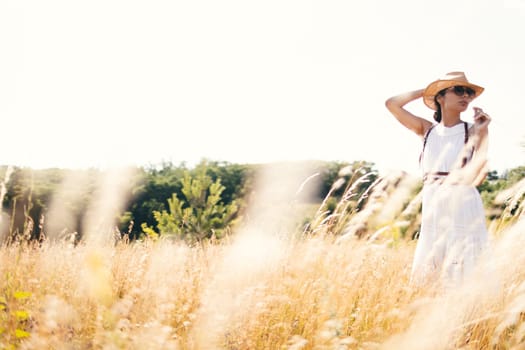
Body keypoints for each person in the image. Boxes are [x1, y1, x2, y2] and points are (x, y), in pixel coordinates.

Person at [385, 71, 491, 287]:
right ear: (440, 97)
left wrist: (484, 131)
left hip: (463, 202)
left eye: (469, 92)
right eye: (459, 90)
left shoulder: (472, 130)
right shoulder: (426, 130)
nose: (466, 96)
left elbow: (480, 173)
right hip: (433, 202)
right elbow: (392, 104)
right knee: (433, 262)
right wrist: (428, 91)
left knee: (464, 261)